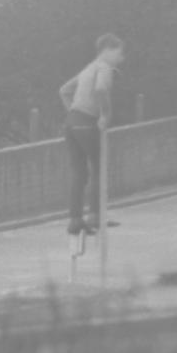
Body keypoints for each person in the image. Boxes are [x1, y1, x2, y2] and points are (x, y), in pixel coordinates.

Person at [59, 33, 125, 235]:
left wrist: (73, 112)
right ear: (108, 50)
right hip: (88, 123)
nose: (122, 58)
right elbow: (101, 89)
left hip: (71, 124)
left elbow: (63, 91)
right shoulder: (104, 67)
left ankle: (75, 220)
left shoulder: (88, 68)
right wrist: (105, 114)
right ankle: (95, 216)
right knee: (99, 168)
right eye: (120, 53)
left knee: (78, 172)